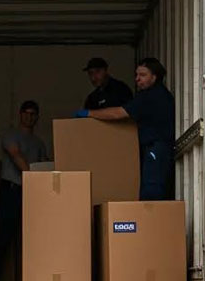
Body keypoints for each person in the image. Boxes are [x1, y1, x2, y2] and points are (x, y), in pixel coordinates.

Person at [75, 57, 175, 200]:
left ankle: (153, 220)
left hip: (156, 149)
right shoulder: (152, 94)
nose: (137, 79)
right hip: (152, 149)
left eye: (143, 75)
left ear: (154, 77)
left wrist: (89, 113)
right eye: (136, 75)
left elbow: (119, 113)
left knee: (152, 192)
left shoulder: (151, 95)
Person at [0, 100, 49, 281]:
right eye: (26, 113)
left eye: (33, 114)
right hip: (12, 189)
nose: (29, 117)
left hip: (32, 192)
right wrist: (31, 175)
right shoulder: (10, 135)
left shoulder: (39, 143)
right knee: (3, 236)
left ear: (37, 117)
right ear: (20, 114)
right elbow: (15, 155)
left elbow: (45, 164)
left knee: (34, 237)